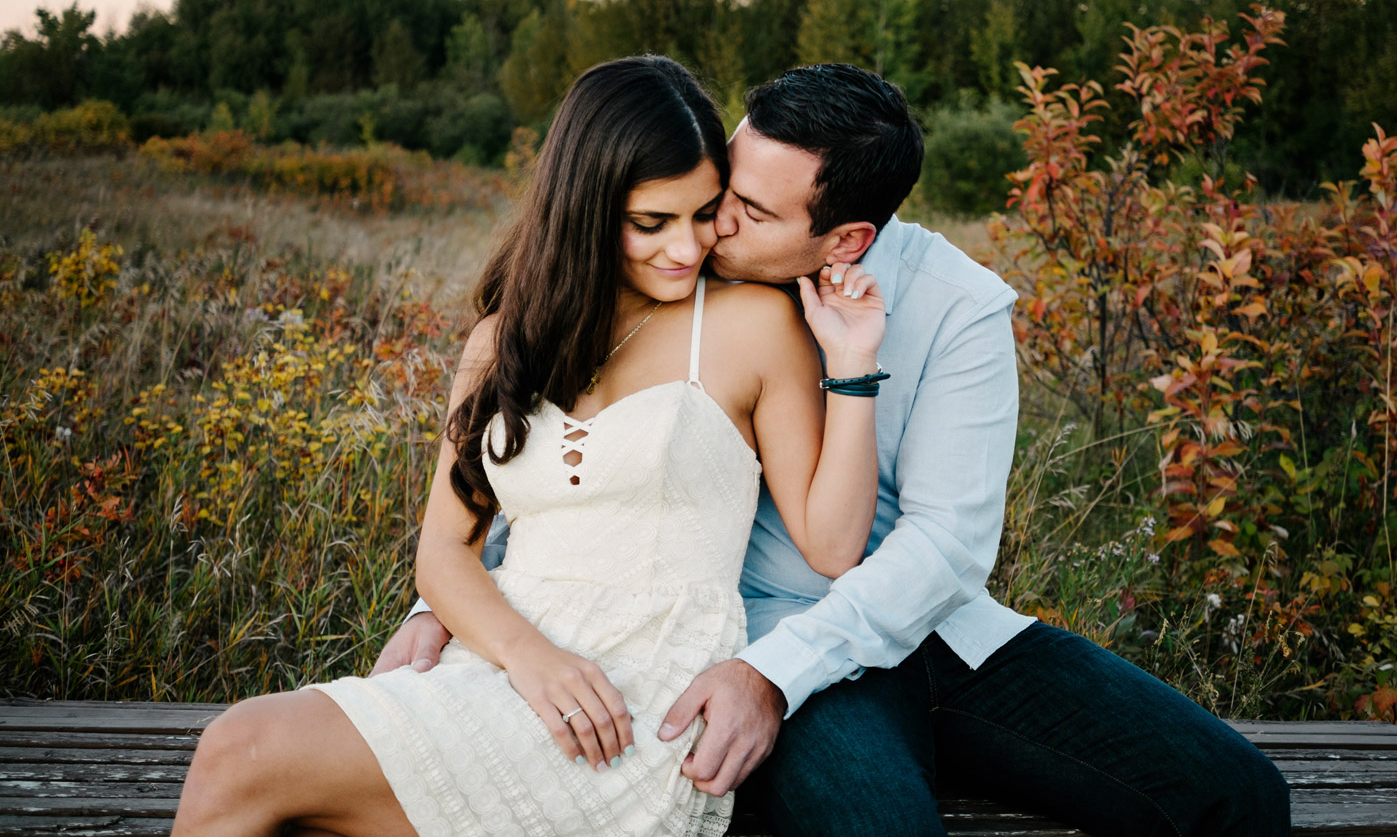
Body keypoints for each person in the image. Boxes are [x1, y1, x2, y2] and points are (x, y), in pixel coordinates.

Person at [381, 63, 1293, 836]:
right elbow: (581, 459)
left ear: (847, 237)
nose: (710, 225)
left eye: (742, 210)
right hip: (739, 630)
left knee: (1240, 798)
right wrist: (466, 608)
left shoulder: (956, 309)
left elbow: (946, 546)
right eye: (717, 187)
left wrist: (775, 676)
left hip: (909, 636)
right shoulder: (670, 276)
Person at [170, 55, 893, 837]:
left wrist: (853, 368)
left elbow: (832, 545)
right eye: (650, 223)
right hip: (505, 660)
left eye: (703, 213)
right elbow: (446, 551)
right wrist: (528, 657)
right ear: (584, 208)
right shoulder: (502, 343)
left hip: (636, 694)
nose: (686, 248)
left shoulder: (753, 324)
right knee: (271, 795)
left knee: (237, 751)